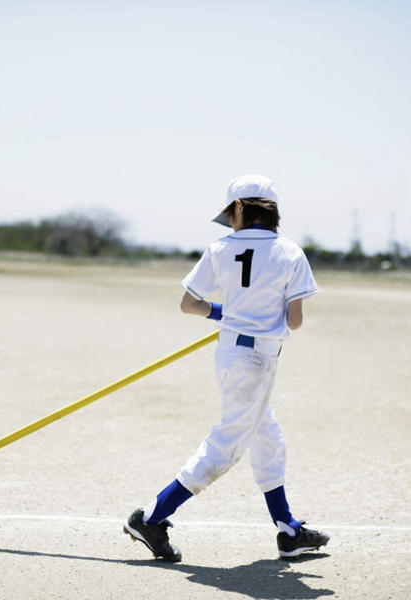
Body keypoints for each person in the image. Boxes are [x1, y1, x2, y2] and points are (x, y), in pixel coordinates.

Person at [123, 174, 329, 561]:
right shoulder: (290, 252)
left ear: (238, 209)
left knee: (268, 439)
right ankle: (150, 516)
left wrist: (226, 312)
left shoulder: (220, 247)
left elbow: (189, 304)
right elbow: (295, 321)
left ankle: (288, 531)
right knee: (227, 447)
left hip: (231, 354)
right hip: (259, 360)